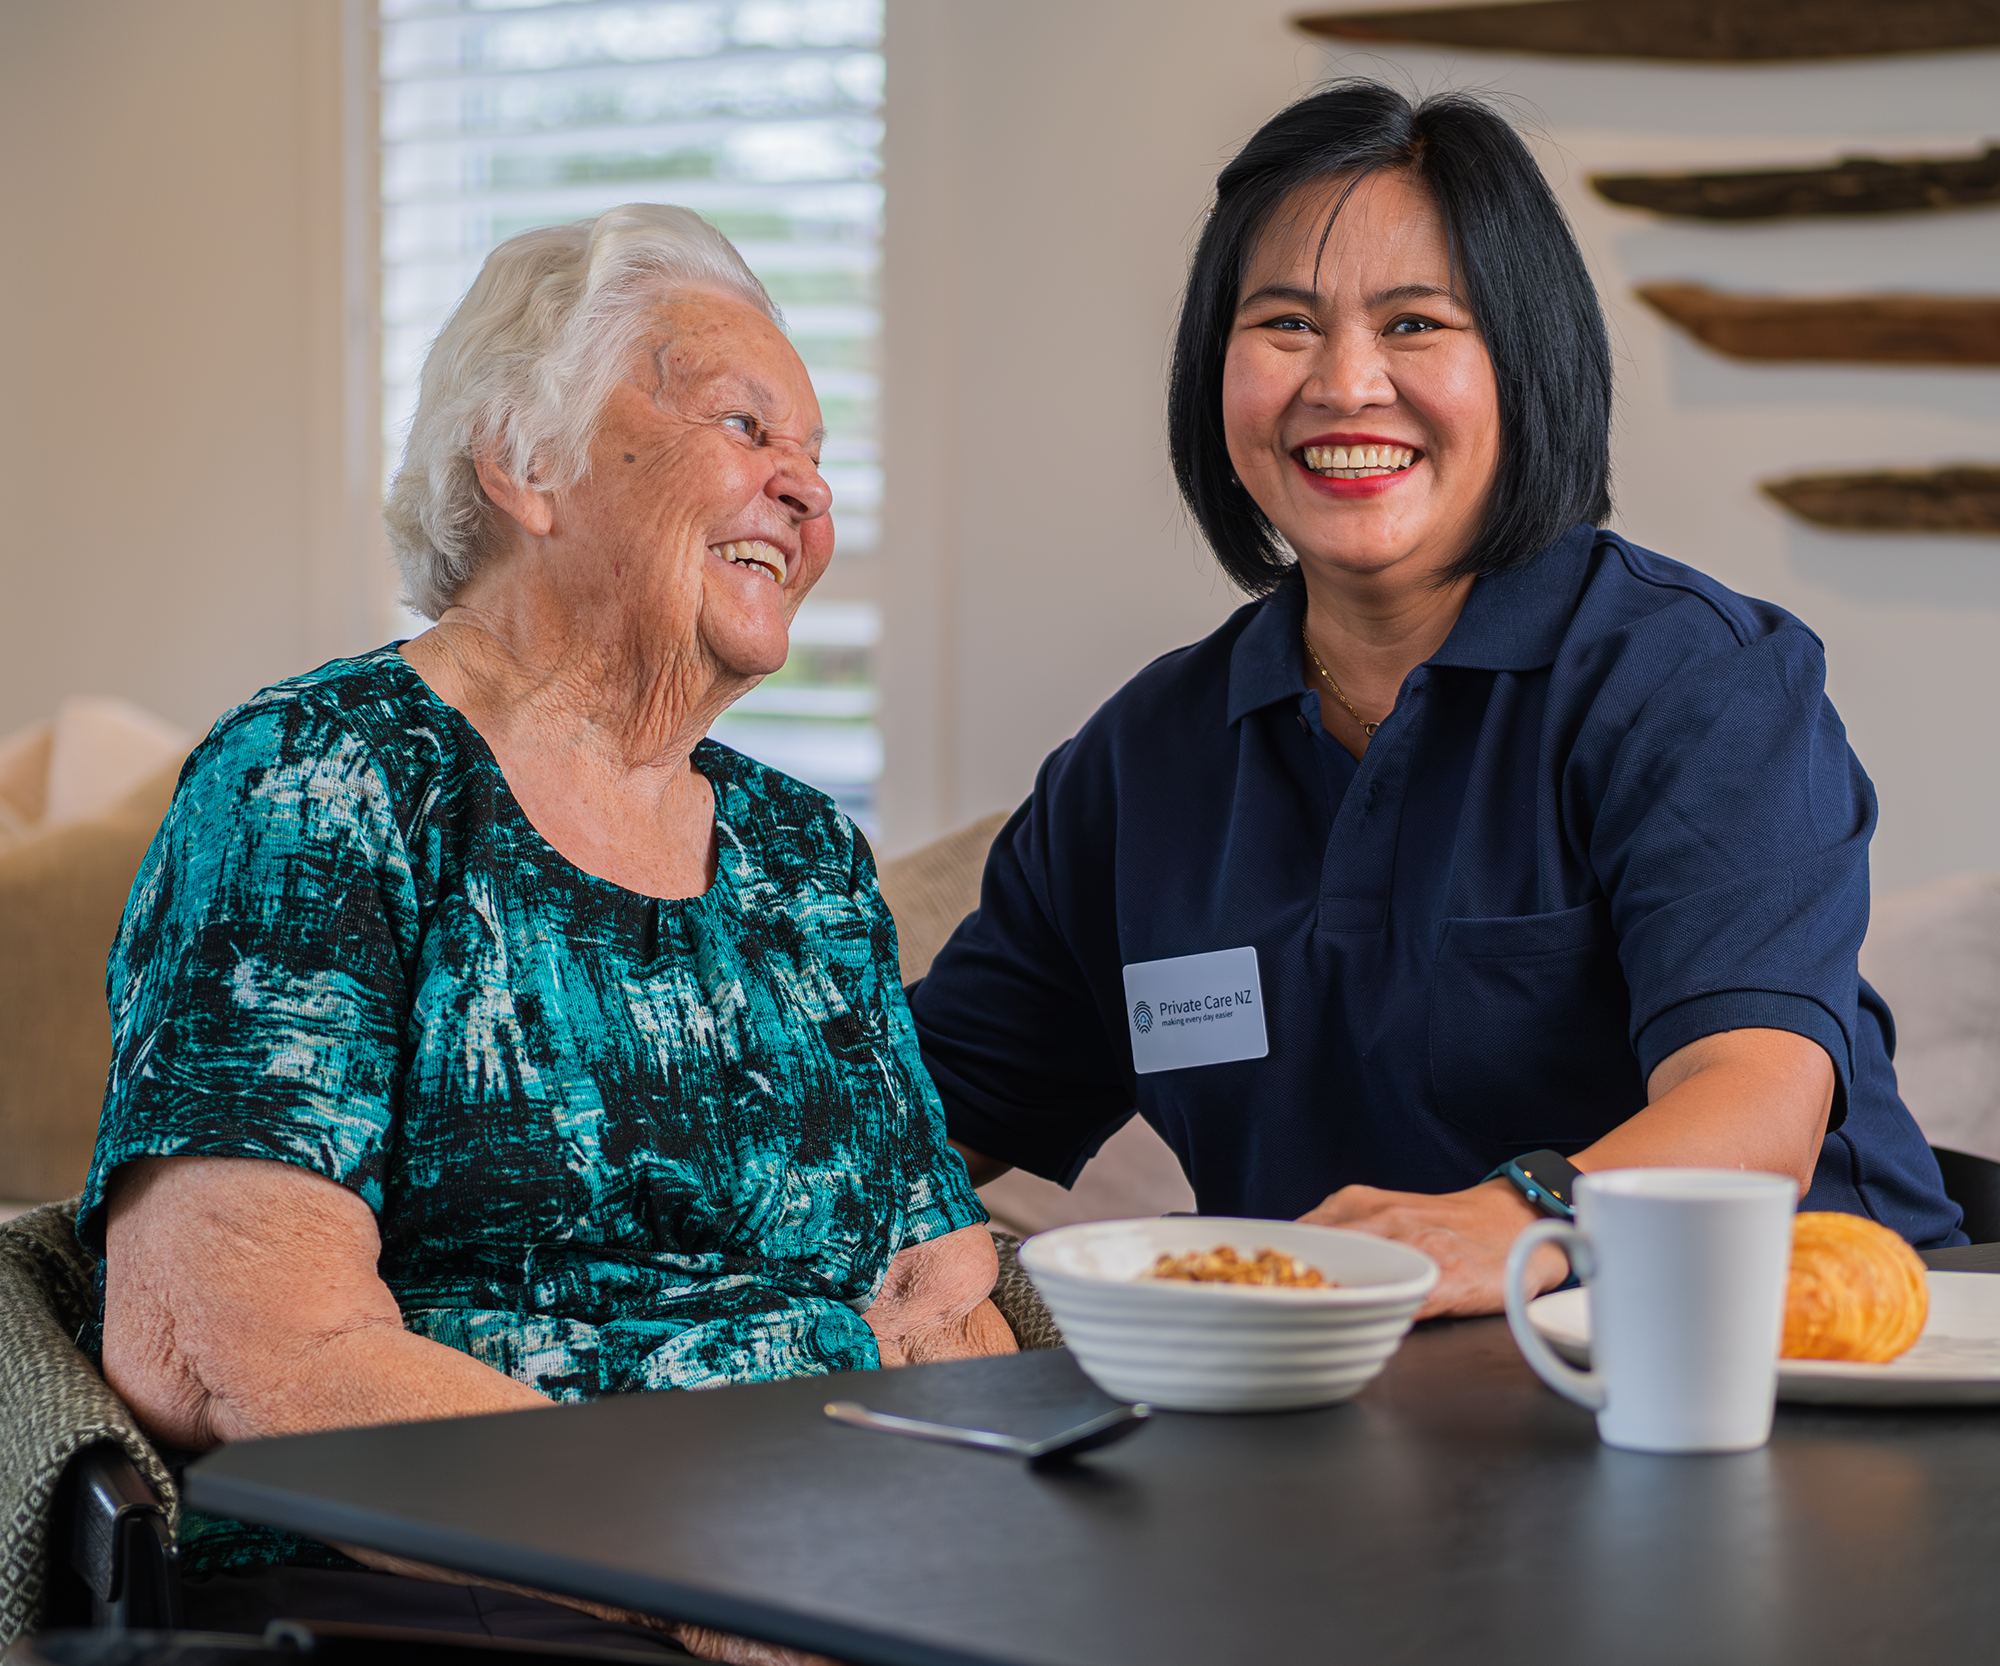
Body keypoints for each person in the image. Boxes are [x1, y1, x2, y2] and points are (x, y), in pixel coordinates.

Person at [84, 204, 1011, 1660]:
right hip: (455, 1578)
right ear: (524, 460)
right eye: (746, 425)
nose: (809, 496)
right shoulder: (328, 777)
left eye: (818, 460)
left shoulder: (802, 853)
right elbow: (234, 1343)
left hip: (833, 1567)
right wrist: (713, 1578)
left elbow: (939, 1303)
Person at [909, 82, 1963, 1321]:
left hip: (1792, 1384)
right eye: (1285, 324)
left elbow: (1755, 1102)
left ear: (1525, 363)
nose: (1344, 384)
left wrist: (1507, 1222)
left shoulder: (1693, 682)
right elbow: (915, 1118)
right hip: (1350, 1420)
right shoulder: (1142, 762)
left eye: (1414, 323)